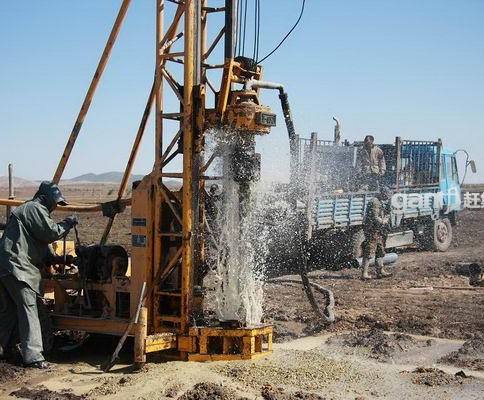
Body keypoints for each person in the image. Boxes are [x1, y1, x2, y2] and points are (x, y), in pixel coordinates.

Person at [0, 181, 78, 368]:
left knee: (8, 311)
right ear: (46, 198)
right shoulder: (34, 208)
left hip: (6, 266)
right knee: (29, 308)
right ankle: (34, 357)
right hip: (18, 267)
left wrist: (60, 259)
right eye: (55, 202)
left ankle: (4, 349)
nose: (55, 207)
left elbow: (40, 245)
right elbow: (50, 233)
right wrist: (67, 223)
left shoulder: (30, 211)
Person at [361, 186, 393, 280]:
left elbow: (387, 213)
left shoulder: (381, 201)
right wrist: (383, 221)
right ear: (382, 194)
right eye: (386, 195)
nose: (387, 197)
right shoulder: (374, 202)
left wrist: (386, 217)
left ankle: (380, 271)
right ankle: (364, 273)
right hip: (372, 230)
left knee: (380, 250)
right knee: (369, 251)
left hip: (379, 230)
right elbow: (375, 217)